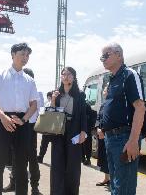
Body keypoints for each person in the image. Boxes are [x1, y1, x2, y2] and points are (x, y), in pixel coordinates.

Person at [0, 43, 38, 195]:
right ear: (13, 54)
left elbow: (34, 104)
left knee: (22, 167)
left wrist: (24, 119)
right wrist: (2, 116)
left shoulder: (29, 80)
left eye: (27, 55)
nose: (25, 58)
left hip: (22, 124)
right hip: (2, 121)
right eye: (22, 54)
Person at [100, 42, 146, 195]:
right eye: (102, 56)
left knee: (123, 188)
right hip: (110, 138)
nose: (102, 59)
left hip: (124, 138)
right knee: (115, 186)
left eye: (106, 55)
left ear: (119, 55)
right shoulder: (111, 79)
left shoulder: (129, 75)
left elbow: (140, 107)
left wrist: (133, 141)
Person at [3, 68, 43, 195]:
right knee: (16, 157)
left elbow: (37, 109)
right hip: (17, 127)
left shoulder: (37, 93)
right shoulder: (16, 91)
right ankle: (13, 183)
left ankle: (34, 187)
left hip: (30, 128)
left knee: (32, 158)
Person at [50, 66, 87, 195]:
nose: (66, 76)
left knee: (73, 165)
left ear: (74, 77)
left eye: (69, 74)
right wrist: (53, 100)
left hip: (74, 130)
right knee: (57, 164)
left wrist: (83, 131)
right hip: (59, 130)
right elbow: (52, 113)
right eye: (63, 74)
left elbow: (83, 114)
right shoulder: (57, 93)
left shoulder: (80, 94)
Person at [95, 85, 110, 187]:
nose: (104, 92)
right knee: (103, 157)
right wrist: (97, 129)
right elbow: (98, 118)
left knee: (110, 157)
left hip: (109, 135)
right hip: (101, 135)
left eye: (105, 90)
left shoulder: (113, 103)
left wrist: (103, 130)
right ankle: (106, 178)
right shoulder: (103, 104)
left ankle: (113, 179)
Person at [37, 91, 53, 163]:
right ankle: (41, 157)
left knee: (44, 143)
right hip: (53, 127)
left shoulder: (46, 103)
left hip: (47, 126)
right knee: (48, 143)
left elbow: (42, 113)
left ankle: (40, 157)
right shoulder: (49, 103)